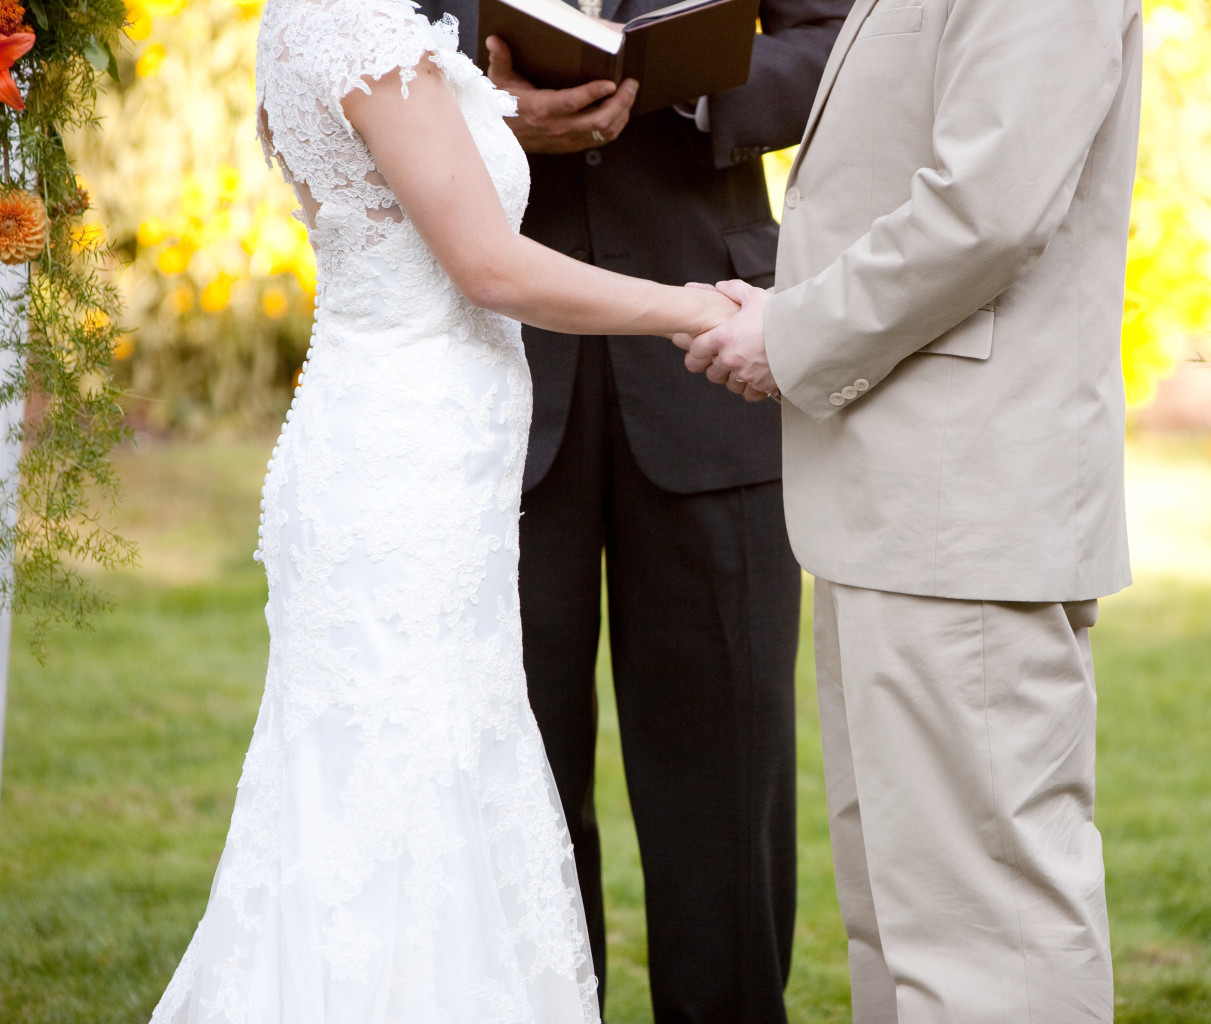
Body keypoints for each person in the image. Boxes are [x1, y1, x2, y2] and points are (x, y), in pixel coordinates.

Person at [147, 0, 743, 1019]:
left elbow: (411, 165)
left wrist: (513, 111)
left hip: (422, 466)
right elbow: (489, 266)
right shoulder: (353, 21)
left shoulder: (372, 24)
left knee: (426, 774)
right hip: (398, 471)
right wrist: (692, 305)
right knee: (397, 791)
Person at [679, 0, 1144, 1020]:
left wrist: (792, 336)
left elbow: (987, 210)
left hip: (965, 517)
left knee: (988, 943)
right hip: (903, 508)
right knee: (904, 931)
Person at [412, 1, 849, 1020]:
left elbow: (843, 45)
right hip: (494, 372)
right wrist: (491, 112)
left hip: (714, 359)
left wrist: (687, 88)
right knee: (514, 782)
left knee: (727, 789)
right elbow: (380, 53)